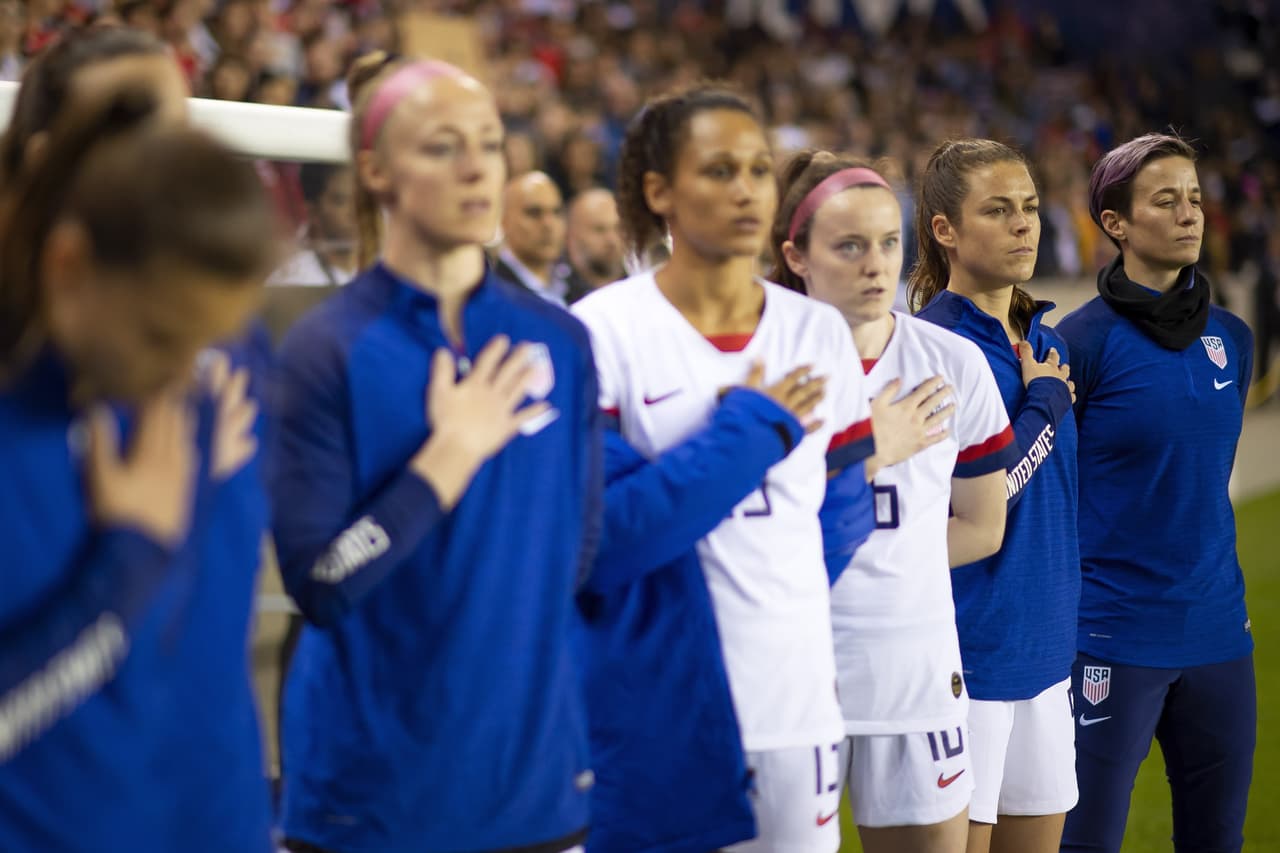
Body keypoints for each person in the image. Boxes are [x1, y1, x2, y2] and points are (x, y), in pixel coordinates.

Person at [271, 54, 601, 853]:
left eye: (489, 143)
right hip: (371, 798)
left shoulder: (561, 339)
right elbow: (318, 584)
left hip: (531, 793)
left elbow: (576, 553)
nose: (475, 167)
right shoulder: (325, 348)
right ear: (376, 171)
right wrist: (446, 458)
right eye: (441, 145)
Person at [572, 83, 878, 853]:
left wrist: (779, 609)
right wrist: (748, 431)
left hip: (795, 706)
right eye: (718, 170)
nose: (745, 189)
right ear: (658, 191)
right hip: (649, 710)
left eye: (757, 168)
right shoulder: (601, 330)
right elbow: (602, 544)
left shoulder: (817, 332)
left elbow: (844, 512)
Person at [0, 89, 277, 851]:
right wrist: (129, 562)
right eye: (162, 334)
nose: (184, 371)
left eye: (210, 340)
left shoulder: (173, 406)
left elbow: (187, 691)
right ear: (69, 265)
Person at [771, 151, 1018, 853]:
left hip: (914, 670)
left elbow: (982, 523)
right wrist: (866, 448)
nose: (876, 265)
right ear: (798, 254)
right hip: (788, 670)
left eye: (887, 242)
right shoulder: (759, 367)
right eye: (849, 246)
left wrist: (900, 557)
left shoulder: (953, 363)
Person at [1058, 133, 1256, 853]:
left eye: (1195, 198)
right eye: (1166, 200)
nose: (1190, 213)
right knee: (1086, 840)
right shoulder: (1078, 342)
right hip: (1111, 632)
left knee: (1217, 840)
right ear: (1116, 223)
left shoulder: (1232, 338)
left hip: (1218, 633)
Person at [909, 138, 1081, 853]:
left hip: (1048, 652)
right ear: (945, 230)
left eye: (1031, 208)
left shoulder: (1044, 337)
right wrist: (1042, 407)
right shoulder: (929, 349)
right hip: (968, 659)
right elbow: (984, 502)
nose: (1024, 225)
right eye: (999, 210)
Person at [268, 162, 357, 287]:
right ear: (312, 210)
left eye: (362, 200)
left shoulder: (386, 269)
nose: (356, 212)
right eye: (341, 201)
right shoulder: (291, 280)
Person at [494, 170, 570, 305]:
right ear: (503, 221)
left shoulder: (577, 288)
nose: (548, 225)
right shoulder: (492, 294)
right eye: (534, 213)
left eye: (556, 212)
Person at [563, 187, 625, 303]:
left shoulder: (641, 289)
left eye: (618, 229)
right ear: (570, 236)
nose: (612, 240)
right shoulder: (555, 292)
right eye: (599, 230)